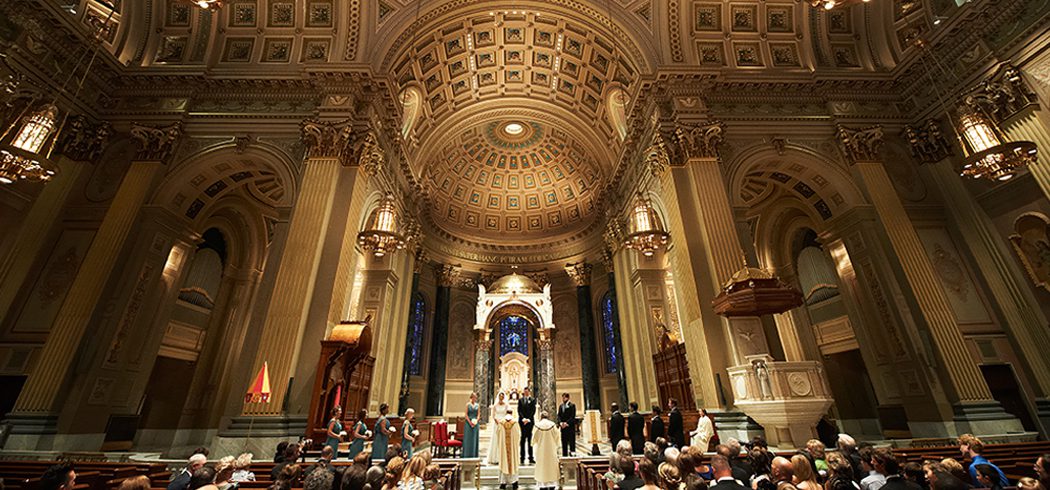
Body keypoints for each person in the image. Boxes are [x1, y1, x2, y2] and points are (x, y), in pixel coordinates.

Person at [533, 411, 561, 490]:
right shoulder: (552, 425)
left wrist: (534, 443)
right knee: (551, 466)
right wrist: (558, 446)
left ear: (541, 417)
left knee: (542, 466)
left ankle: (543, 485)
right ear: (547, 417)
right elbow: (557, 437)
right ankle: (552, 484)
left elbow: (534, 438)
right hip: (551, 449)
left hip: (541, 449)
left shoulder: (537, 425)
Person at [496, 411, 522, 490]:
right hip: (512, 448)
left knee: (504, 462)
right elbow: (518, 435)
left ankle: (503, 483)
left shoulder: (501, 423)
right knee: (513, 463)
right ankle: (514, 482)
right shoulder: (515, 423)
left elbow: (498, 434)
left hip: (504, 448)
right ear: (512, 414)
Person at [489, 391, 513, 464]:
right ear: (498, 397)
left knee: (503, 439)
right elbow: (493, 415)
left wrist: (503, 421)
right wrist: (497, 421)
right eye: (500, 396)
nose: (501, 397)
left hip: (503, 423)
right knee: (496, 439)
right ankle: (495, 457)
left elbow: (507, 414)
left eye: (502, 396)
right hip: (497, 423)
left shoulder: (506, 405)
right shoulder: (495, 405)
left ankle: (503, 457)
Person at [519, 387, 537, 465]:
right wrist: (523, 419)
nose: (526, 393)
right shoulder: (520, 400)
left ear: (529, 392)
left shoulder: (533, 400)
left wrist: (528, 419)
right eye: (525, 391)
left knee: (530, 440)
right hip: (522, 422)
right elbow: (519, 410)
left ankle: (531, 457)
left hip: (530, 422)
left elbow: (533, 411)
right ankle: (522, 458)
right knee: (522, 440)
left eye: (527, 391)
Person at [558, 392, 577, 457]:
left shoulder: (572, 405)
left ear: (568, 398)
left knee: (571, 442)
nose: (563, 399)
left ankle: (572, 454)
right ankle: (564, 455)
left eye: (564, 397)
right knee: (564, 442)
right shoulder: (561, 406)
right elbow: (559, 416)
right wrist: (560, 422)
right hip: (563, 428)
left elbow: (572, 416)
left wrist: (566, 423)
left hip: (570, 427)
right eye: (562, 398)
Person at [463, 392, 481, 458]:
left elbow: (478, 414)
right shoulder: (468, 404)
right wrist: (470, 422)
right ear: (471, 397)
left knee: (474, 439)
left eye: (476, 397)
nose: (475, 399)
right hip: (468, 424)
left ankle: (474, 454)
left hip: (475, 424)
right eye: (474, 397)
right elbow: (466, 414)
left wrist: (477, 420)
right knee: (468, 439)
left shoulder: (477, 405)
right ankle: (467, 454)